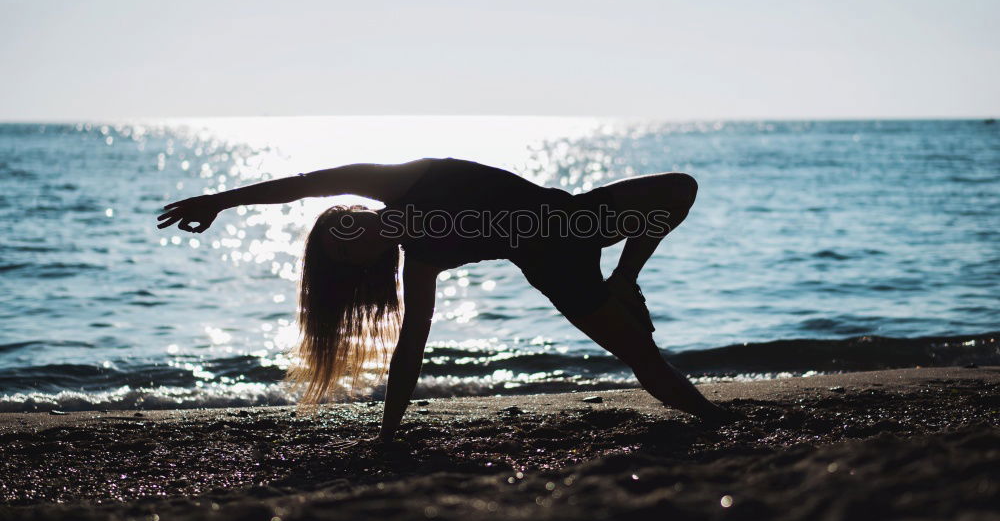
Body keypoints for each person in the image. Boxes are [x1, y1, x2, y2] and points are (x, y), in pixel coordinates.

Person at [158, 157, 732, 440]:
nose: (351, 233)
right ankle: (719, 422)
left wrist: (220, 199)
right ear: (361, 266)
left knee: (678, 189)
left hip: (579, 216)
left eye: (344, 224)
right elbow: (412, 347)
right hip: (556, 270)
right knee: (647, 364)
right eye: (344, 248)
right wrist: (388, 435)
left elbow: (307, 183)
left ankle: (625, 278)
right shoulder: (423, 261)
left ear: (356, 210)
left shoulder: (401, 181)